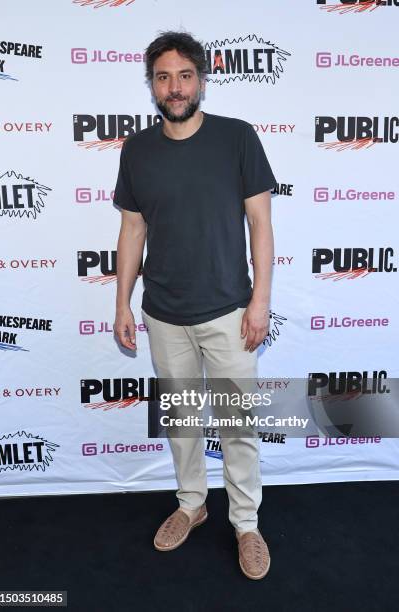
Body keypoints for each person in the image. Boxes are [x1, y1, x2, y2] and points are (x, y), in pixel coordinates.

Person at [113, 30, 277, 580]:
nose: (175, 87)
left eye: (185, 75)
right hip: (163, 314)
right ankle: (191, 504)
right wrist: (123, 305)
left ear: (201, 80)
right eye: (163, 77)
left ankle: (247, 523)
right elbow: (132, 230)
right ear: (152, 86)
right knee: (182, 422)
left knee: (237, 424)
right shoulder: (136, 149)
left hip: (229, 311)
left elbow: (261, 224)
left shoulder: (237, 138)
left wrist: (259, 302)